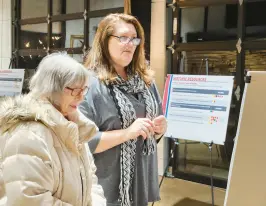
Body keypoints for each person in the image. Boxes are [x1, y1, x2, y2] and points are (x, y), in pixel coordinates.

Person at [79, 13, 167, 206]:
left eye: (134, 38)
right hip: (107, 187)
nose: (130, 44)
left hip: (141, 182)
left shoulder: (146, 82)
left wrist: (159, 129)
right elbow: (83, 140)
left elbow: (154, 127)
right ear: (104, 40)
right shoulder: (89, 84)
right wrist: (127, 133)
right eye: (122, 38)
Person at [0, 53, 106, 206]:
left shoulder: (73, 125)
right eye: (75, 90)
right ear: (52, 88)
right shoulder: (28, 134)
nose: (81, 97)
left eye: (84, 90)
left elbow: (90, 180)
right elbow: (28, 199)